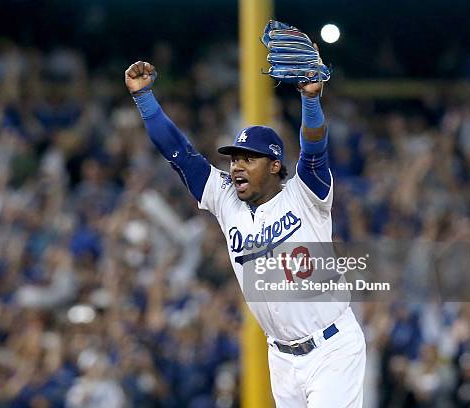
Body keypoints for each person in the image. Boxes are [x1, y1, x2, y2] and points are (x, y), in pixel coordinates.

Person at [125, 57, 366, 407]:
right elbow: (179, 154)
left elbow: (314, 150)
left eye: (247, 159)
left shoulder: (306, 194)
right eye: (234, 158)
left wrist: (310, 101)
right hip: (281, 357)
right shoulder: (226, 199)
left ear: (274, 165)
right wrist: (144, 98)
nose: (236, 165)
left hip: (331, 348)